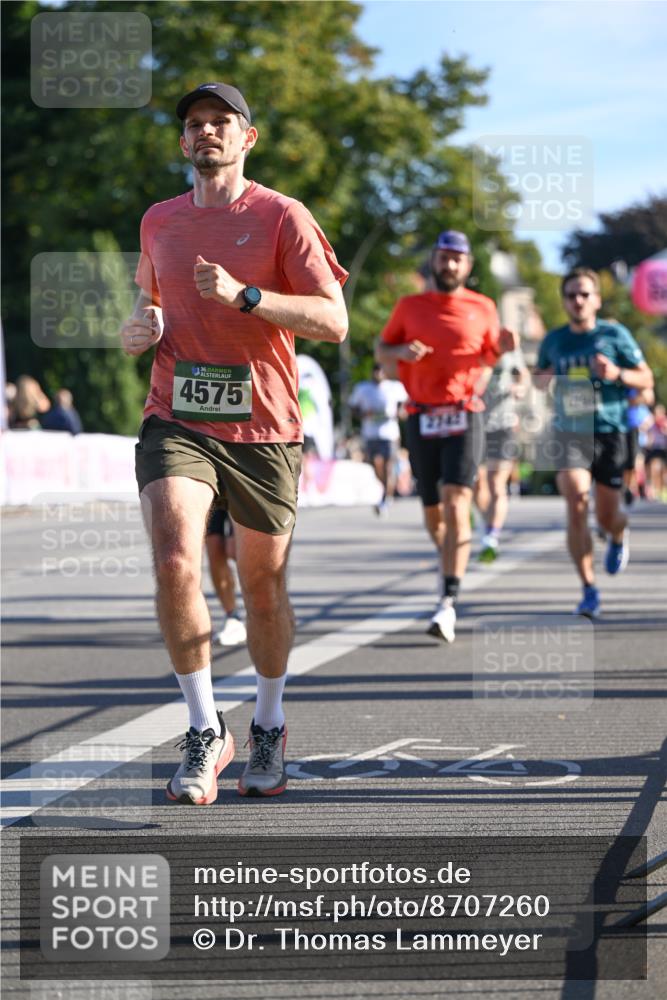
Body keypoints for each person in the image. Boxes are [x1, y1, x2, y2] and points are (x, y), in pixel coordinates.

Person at [120, 82, 348, 804]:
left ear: (247, 137)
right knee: (175, 558)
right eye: (194, 124)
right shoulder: (159, 220)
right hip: (177, 417)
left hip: (265, 427)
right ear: (183, 142)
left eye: (221, 121)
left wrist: (246, 296)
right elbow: (148, 302)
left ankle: (270, 723)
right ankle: (202, 727)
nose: (206, 132)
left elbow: (332, 320)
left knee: (262, 586)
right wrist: (138, 328)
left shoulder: (283, 215)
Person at [376, 229, 517, 643]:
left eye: (458, 258)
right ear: (434, 261)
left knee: (458, 501)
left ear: (468, 266)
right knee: (434, 513)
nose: (450, 264)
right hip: (420, 417)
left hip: (464, 415)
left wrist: (502, 349)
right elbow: (382, 351)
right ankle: (452, 553)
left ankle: (447, 601)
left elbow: (489, 354)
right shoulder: (409, 306)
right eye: (444, 256)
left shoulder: (483, 307)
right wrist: (400, 353)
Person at [534, 268, 654, 618]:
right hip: (571, 431)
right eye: (571, 295)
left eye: (585, 294)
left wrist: (617, 374)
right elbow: (540, 381)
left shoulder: (615, 335)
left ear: (597, 300)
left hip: (610, 430)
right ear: (564, 301)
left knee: (608, 515)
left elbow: (646, 377)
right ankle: (588, 589)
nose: (578, 300)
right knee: (575, 501)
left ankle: (617, 535)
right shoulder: (553, 341)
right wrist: (537, 378)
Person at [474, 349, 530, 560]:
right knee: (477, 485)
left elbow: (522, 373)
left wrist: (520, 387)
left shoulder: (508, 343)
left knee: (496, 483)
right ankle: (487, 521)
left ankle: (491, 535)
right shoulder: (472, 339)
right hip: (475, 422)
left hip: (503, 423)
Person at [349, 363, 407, 515]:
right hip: (371, 434)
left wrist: (399, 413)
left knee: (388, 466)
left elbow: (404, 407)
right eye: (376, 372)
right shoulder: (363, 388)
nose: (379, 374)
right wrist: (363, 414)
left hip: (390, 434)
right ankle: (385, 490)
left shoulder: (395, 387)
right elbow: (353, 408)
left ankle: (385, 499)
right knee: (376, 464)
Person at [205, 504, 247, 646]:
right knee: (214, 548)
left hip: (237, 485)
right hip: (211, 489)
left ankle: (262, 611)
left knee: (234, 550)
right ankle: (232, 616)